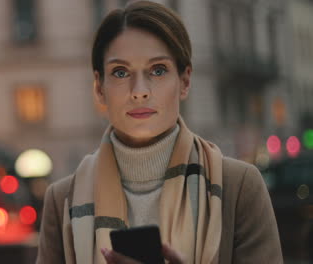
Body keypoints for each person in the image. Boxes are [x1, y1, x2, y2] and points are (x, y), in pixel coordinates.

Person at [36, 1, 283, 263]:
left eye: (158, 70)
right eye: (120, 72)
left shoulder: (240, 186)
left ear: (185, 81)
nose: (139, 90)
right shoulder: (62, 199)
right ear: (99, 87)